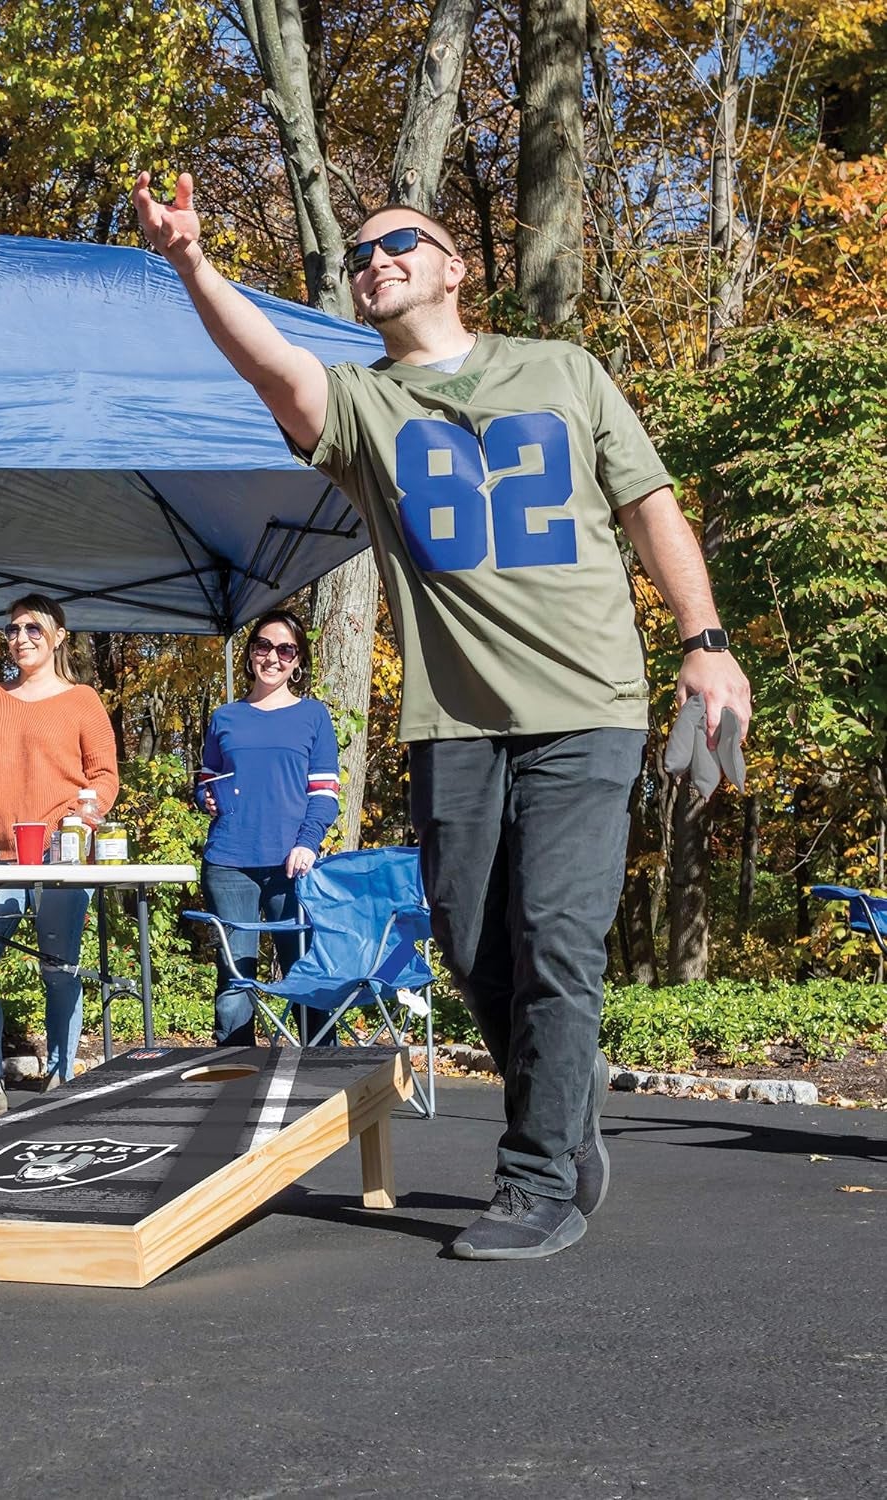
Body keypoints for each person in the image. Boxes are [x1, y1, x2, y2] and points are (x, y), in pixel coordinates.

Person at [134, 172, 752, 1260]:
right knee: (470, 944)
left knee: (558, 937)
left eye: (400, 241)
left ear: (456, 266)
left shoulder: (564, 372)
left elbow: (651, 509)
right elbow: (272, 366)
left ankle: (536, 1176)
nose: (376, 258)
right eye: (361, 252)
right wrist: (190, 261)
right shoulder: (368, 410)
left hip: (587, 706)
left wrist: (705, 646)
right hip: (453, 722)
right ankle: (564, 1109)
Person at [0, 594, 120, 1120]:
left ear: (58, 636)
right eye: (11, 629)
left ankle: (62, 1077)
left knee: (59, 971)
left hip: (59, 860)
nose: (19, 638)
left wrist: (78, 820)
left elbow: (106, 779)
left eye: (32, 628)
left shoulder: (82, 700)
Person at [198, 608, 340, 1046]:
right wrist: (202, 795)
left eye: (285, 649)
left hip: (291, 865)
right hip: (228, 862)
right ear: (250, 654)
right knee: (235, 978)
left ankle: (321, 1077)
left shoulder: (314, 716)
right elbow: (208, 778)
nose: (273, 657)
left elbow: (324, 793)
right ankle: (234, 1078)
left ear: (297, 661)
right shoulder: (225, 717)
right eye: (263, 646)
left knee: (305, 975)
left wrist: (307, 844)